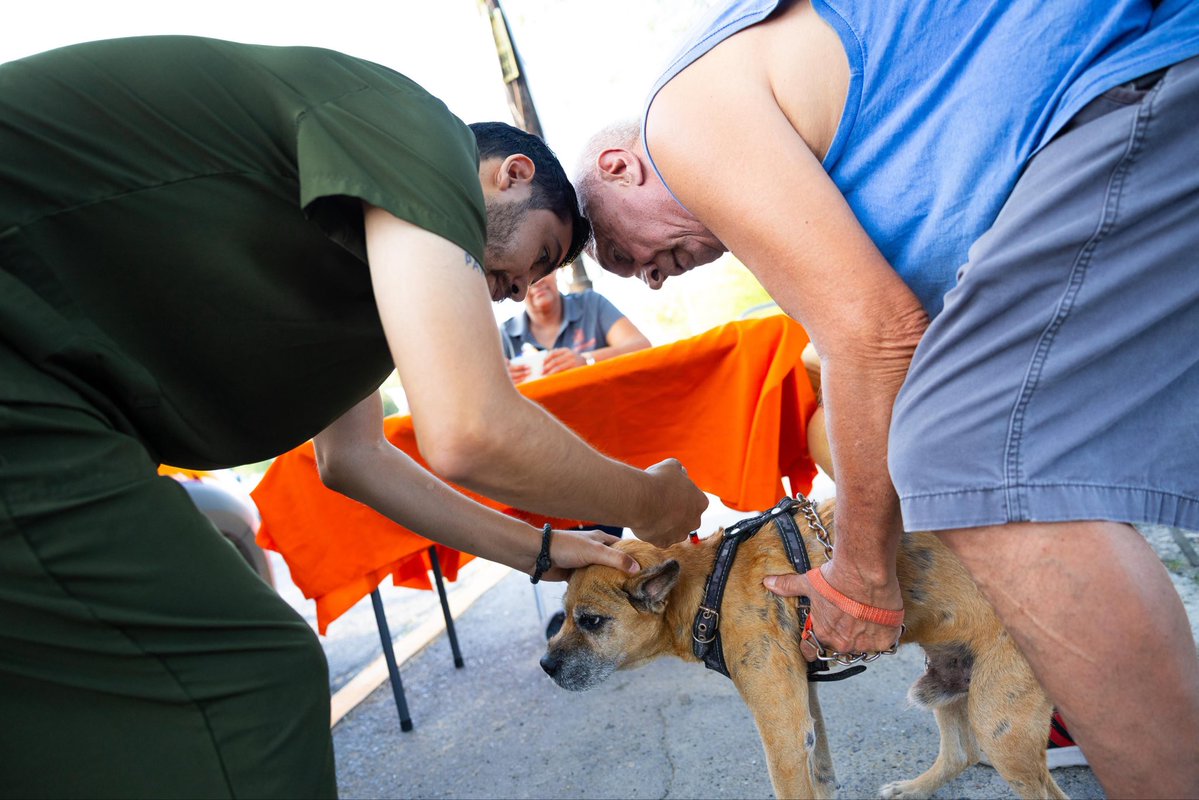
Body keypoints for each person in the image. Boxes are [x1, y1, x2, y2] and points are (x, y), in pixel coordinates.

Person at [0, 36, 708, 798]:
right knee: (243, 682)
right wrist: (646, 501)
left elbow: (354, 459)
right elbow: (470, 429)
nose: (519, 289)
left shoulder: (359, 294)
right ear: (511, 174)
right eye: (542, 253)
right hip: (23, 357)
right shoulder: (416, 133)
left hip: (55, 394)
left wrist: (542, 550)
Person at [574, 2, 1199, 796]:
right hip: (1116, 113)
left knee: (958, 454)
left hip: (1128, 96)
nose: (653, 277)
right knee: (907, 427)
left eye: (623, 254)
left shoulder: (682, 120)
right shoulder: (790, 139)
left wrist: (860, 572)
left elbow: (876, 336)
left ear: (621, 167)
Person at [501, 269, 651, 382]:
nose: (537, 281)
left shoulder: (591, 304)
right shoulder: (505, 335)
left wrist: (586, 361)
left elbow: (641, 347)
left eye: (542, 269)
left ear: (555, 269)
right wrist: (503, 382)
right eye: (525, 275)